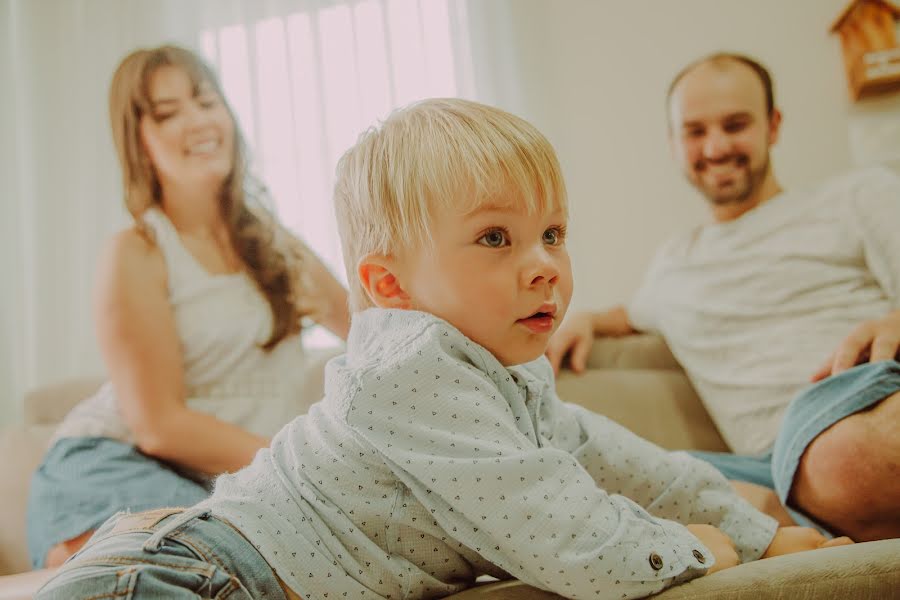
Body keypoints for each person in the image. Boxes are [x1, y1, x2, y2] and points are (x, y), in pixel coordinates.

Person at [36, 98, 850, 600]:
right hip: (189, 581)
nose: (544, 264)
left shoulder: (503, 376)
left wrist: (754, 528)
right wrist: (698, 547)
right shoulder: (411, 368)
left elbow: (621, 460)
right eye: (496, 238)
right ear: (389, 286)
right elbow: (578, 546)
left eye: (553, 233)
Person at [546, 52, 900, 542]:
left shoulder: (859, 197)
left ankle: (799, 518)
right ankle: (793, 517)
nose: (715, 147)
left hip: (859, 397)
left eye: (736, 125)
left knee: (845, 460)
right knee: (602, 488)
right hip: (766, 465)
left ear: (773, 126)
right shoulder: (673, 264)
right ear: (674, 143)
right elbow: (631, 313)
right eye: (695, 131)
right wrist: (584, 318)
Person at [25, 45, 351, 570]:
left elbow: (376, 332)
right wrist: (298, 466)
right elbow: (159, 427)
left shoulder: (279, 248)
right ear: (140, 143)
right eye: (168, 113)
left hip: (218, 479)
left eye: (205, 101)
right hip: (111, 465)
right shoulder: (138, 250)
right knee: (228, 565)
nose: (197, 122)